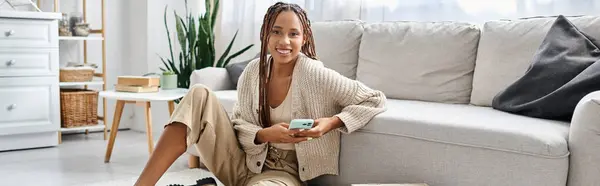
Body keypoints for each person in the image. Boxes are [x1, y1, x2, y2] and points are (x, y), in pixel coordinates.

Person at [134, 2, 386, 186]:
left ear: (304, 38)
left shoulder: (313, 73)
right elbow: (238, 124)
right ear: (265, 34)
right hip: (241, 161)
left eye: (293, 34)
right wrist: (264, 134)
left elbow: (374, 98)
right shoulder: (254, 71)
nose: (284, 41)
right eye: (276, 31)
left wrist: (329, 124)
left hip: (282, 174)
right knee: (199, 93)